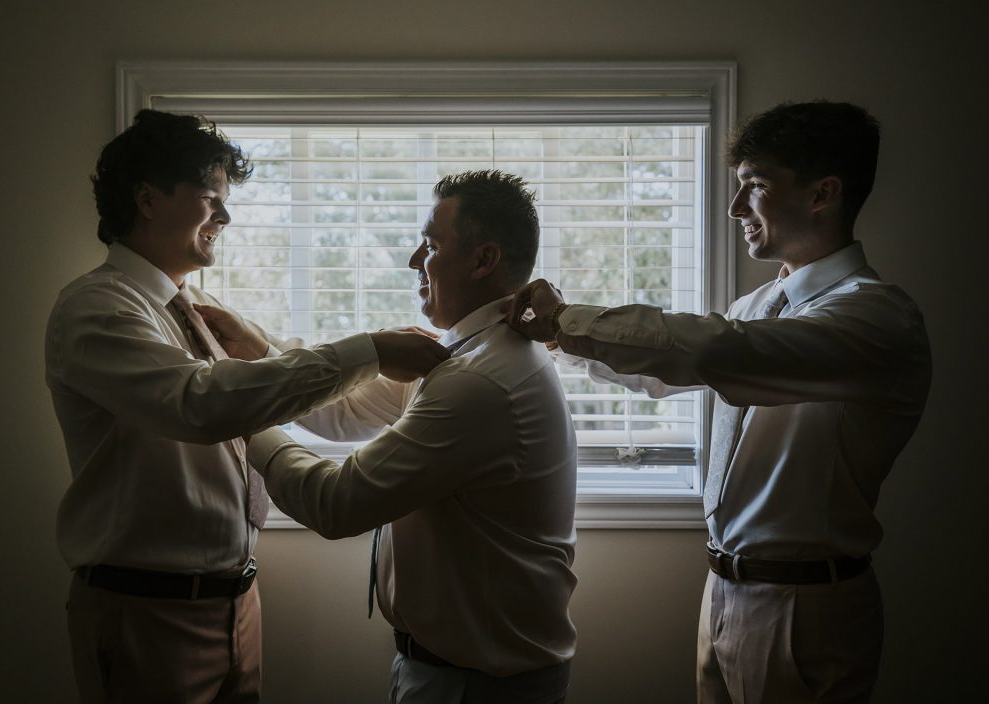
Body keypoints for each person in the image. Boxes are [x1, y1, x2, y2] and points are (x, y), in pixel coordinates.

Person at [507, 102, 932, 703]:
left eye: (755, 187)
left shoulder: (878, 317)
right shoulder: (758, 305)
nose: (736, 208)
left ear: (823, 193)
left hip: (806, 610)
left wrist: (569, 319)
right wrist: (556, 335)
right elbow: (667, 372)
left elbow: (720, 353)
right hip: (722, 592)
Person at [46, 109, 448, 703]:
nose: (226, 216)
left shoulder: (200, 311)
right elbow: (201, 406)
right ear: (148, 199)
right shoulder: (98, 310)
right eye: (211, 197)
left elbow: (318, 409)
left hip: (236, 605)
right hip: (148, 612)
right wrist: (366, 350)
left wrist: (427, 372)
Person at [215, 170, 577, 703]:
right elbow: (344, 409)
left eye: (430, 245)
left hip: (476, 686)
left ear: (483, 261)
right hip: (457, 670)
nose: (413, 261)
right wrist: (258, 351)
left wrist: (241, 422)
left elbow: (336, 503)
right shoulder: (464, 355)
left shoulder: (481, 382)